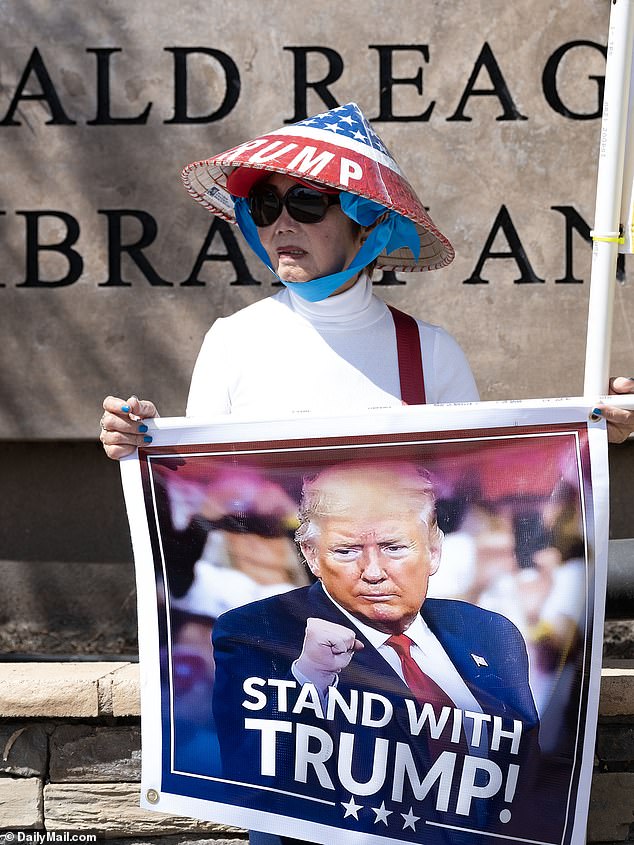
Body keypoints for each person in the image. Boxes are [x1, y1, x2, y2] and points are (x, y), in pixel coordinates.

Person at [98, 103, 633, 845]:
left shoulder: (430, 352)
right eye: (264, 203)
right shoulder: (234, 344)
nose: (280, 221)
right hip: (296, 746)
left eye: (306, 202)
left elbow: (488, 499)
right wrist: (141, 440)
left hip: (425, 763)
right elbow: (201, 498)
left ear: (364, 223)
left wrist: (594, 434)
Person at [212, 461, 541, 844]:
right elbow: (252, 779)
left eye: (394, 547)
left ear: (433, 550)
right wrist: (309, 679)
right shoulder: (259, 630)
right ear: (312, 555)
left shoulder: (490, 632)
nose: (373, 571)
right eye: (347, 550)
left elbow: (528, 772)